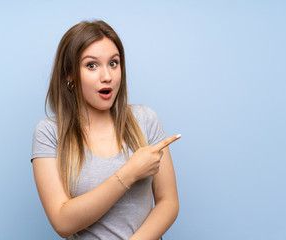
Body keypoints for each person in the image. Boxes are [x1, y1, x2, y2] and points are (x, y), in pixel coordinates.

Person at [31, 20, 180, 240]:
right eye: (91, 65)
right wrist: (129, 173)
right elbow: (62, 222)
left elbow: (168, 202)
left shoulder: (145, 120)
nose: (107, 76)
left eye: (113, 63)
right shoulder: (49, 133)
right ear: (70, 75)